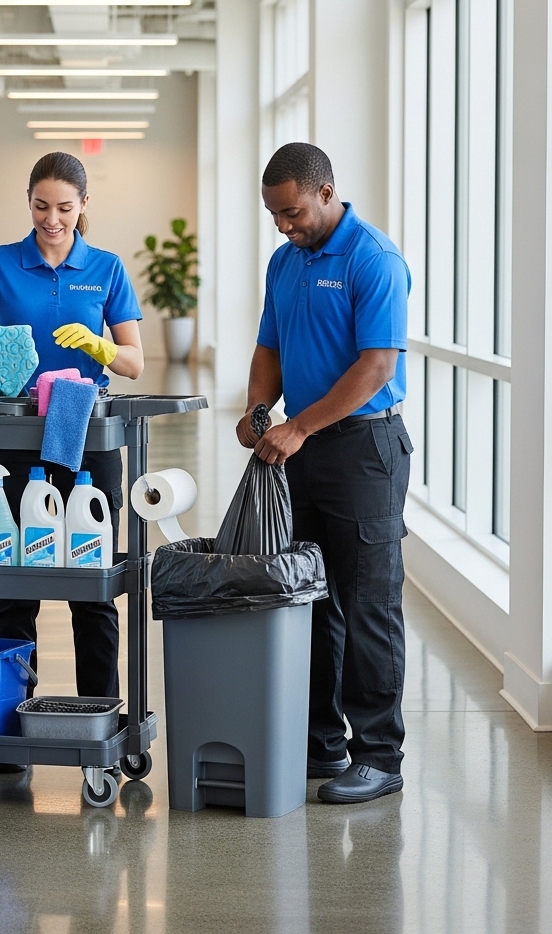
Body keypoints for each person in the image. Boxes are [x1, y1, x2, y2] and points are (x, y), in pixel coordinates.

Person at [0, 151, 144, 715]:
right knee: (14, 584)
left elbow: (134, 362)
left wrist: (102, 347)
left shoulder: (105, 269)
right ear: (28, 202)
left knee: (92, 585)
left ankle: (100, 717)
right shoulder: (1, 263)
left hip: (86, 435)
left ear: (84, 206)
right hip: (13, 433)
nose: (52, 220)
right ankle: (9, 717)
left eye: (64, 208)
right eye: (40, 206)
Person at [237, 142, 412, 805]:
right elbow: (269, 346)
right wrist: (259, 412)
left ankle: (379, 756)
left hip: (365, 449)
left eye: (293, 212)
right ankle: (320, 745)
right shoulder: (286, 262)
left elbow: (377, 366)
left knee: (369, 604)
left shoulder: (373, 258)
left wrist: (299, 425)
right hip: (301, 449)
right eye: (275, 215)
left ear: (327, 192)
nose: (284, 226)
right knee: (311, 598)